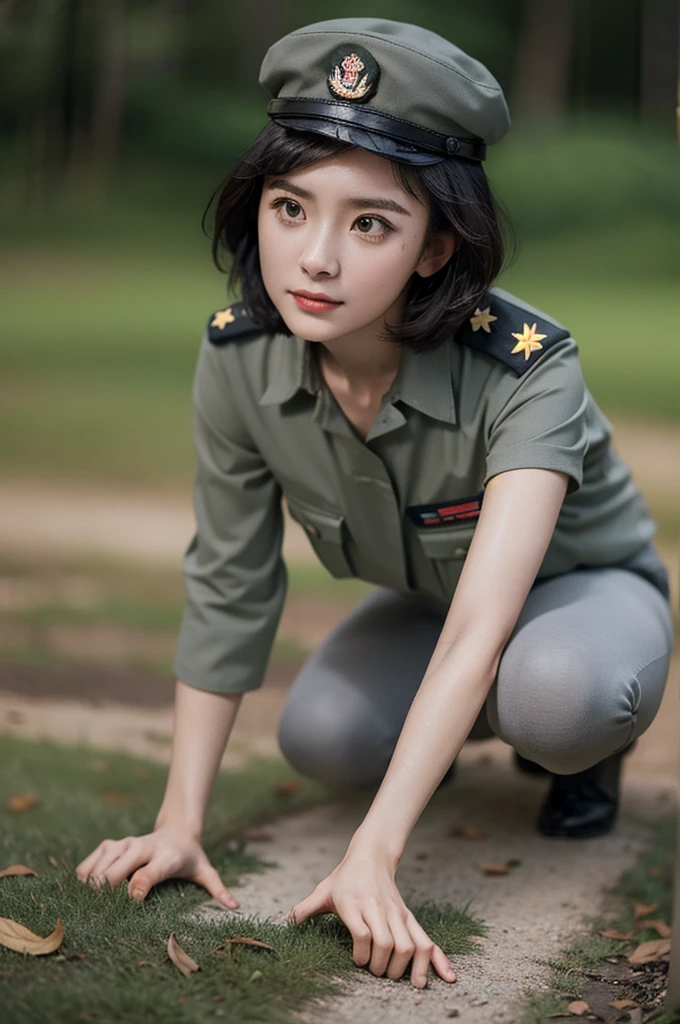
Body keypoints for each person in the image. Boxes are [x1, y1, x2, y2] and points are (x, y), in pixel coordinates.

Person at [76, 18, 674, 990]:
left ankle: (578, 758)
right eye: (288, 207)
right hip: (430, 600)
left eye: (368, 223)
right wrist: (177, 822)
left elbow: (485, 623)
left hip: (580, 591)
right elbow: (229, 581)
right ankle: (459, 734)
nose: (314, 258)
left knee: (553, 692)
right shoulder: (237, 356)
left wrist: (374, 852)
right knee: (323, 737)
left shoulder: (526, 368)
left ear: (434, 247)